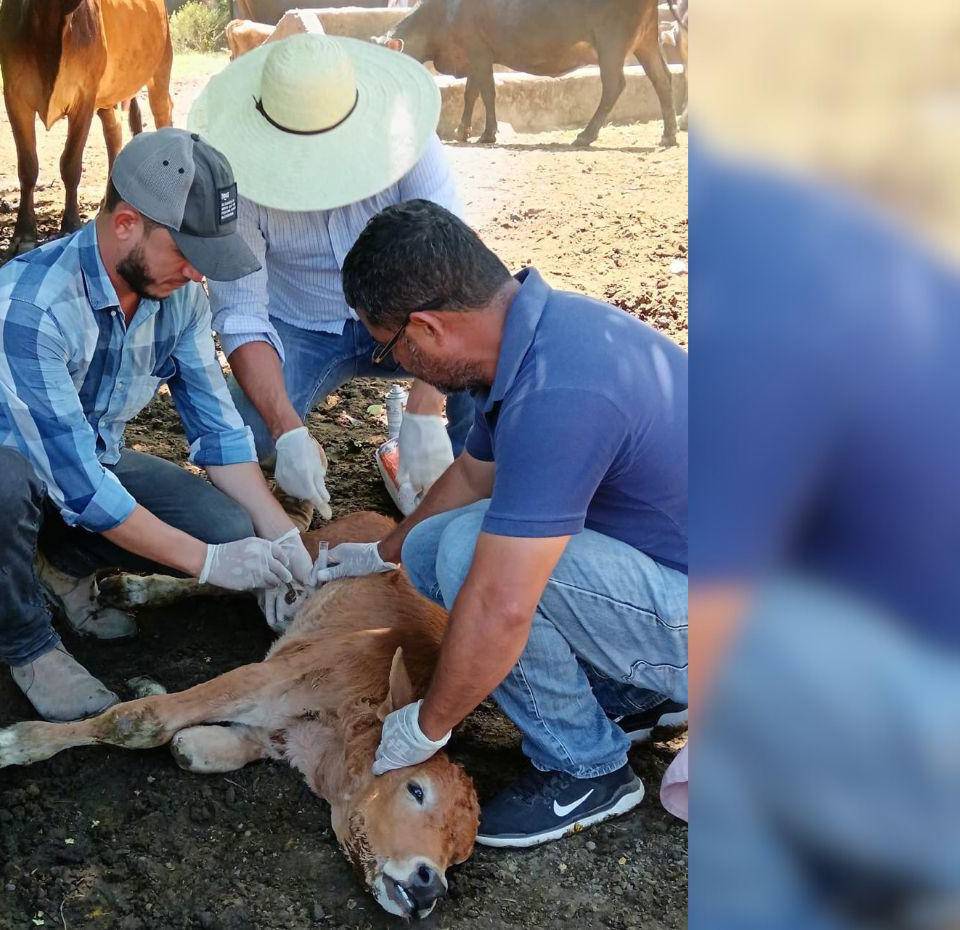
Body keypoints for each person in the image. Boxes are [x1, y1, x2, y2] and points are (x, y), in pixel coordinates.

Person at [314, 199, 688, 848]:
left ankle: (587, 769)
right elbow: (473, 475)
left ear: (426, 328)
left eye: (389, 349)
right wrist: (383, 551)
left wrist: (428, 725)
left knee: (470, 559)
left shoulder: (561, 392)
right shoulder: (537, 332)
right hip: (688, 576)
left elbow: (502, 604)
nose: (394, 366)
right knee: (434, 545)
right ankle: (631, 692)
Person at [0, 129, 315, 723]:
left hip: (84, 461)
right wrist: (208, 565)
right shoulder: (31, 308)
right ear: (125, 224)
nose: (199, 273)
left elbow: (220, 433)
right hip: (20, 470)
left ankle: (59, 568)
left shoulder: (178, 297)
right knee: (5, 482)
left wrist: (281, 538)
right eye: (187, 252)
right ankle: (28, 646)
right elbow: (83, 487)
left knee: (227, 522)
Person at [188, 33, 474, 526]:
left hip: (413, 321)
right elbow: (242, 313)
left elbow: (455, 268)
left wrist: (429, 404)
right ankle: (303, 451)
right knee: (249, 432)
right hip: (301, 326)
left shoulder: (408, 136)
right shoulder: (238, 178)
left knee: (488, 385)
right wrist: (287, 430)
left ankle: (465, 496)